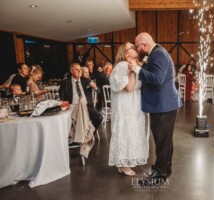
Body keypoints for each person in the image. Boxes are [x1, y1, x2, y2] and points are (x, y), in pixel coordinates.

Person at [129, 32, 182, 185]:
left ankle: (160, 176)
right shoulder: (155, 53)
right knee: (165, 140)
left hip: (163, 105)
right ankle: (165, 168)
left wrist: (138, 70)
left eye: (137, 46)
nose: (137, 49)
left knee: (162, 141)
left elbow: (158, 79)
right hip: (163, 104)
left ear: (144, 45)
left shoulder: (158, 54)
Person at [108, 42, 149, 176]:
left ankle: (123, 163)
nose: (135, 48)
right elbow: (129, 88)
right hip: (125, 105)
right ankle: (124, 165)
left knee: (130, 131)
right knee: (125, 131)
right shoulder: (123, 65)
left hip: (133, 104)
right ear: (126, 54)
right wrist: (132, 71)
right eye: (132, 48)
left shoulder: (133, 65)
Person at [59, 63, 103, 129]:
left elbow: (98, 91)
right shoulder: (65, 82)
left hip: (86, 106)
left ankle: (90, 133)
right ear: (71, 71)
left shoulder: (85, 79)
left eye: (80, 69)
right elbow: (61, 98)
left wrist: (95, 87)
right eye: (77, 69)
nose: (79, 71)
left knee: (99, 117)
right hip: (72, 107)